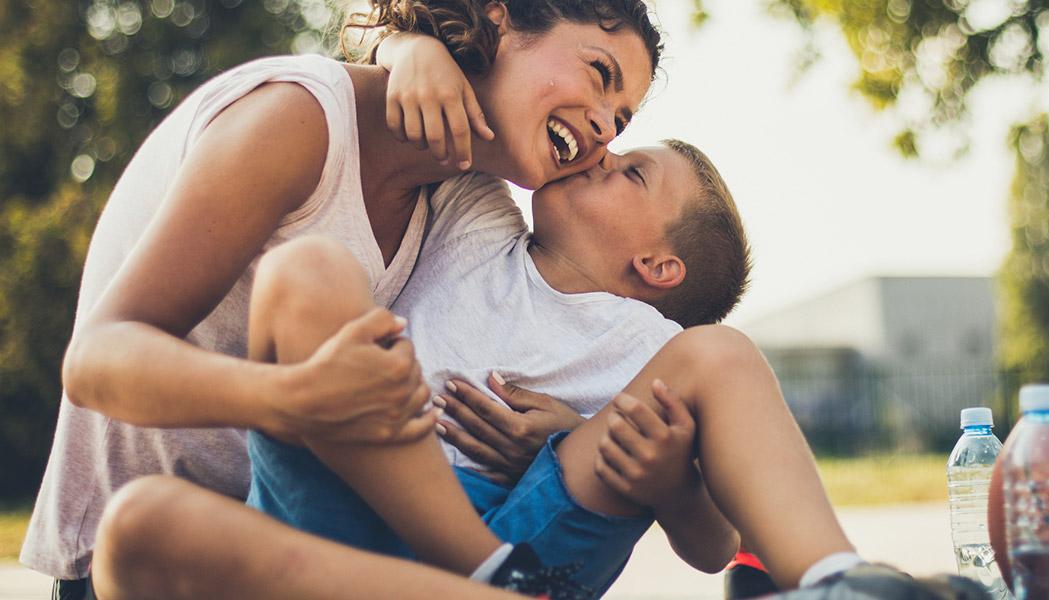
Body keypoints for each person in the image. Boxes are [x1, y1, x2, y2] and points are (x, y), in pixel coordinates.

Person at [101, 141, 986, 600]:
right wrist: (407, 44)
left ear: (658, 268)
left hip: (530, 527)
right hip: (352, 494)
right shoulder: (480, 219)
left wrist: (660, 480)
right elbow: (463, 99)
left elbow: (713, 545)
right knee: (137, 526)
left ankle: (839, 583)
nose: (602, 152)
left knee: (726, 354)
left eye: (631, 173)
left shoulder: (652, 348)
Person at [22, 1, 662, 597]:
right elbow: (95, 360)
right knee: (313, 276)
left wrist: (564, 441)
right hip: (140, 565)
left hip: (288, 546)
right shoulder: (299, 119)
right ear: (501, 21)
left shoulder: (463, 195)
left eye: (623, 119)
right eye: (599, 73)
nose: (607, 127)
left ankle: (497, 580)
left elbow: (543, 333)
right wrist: (291, 398)